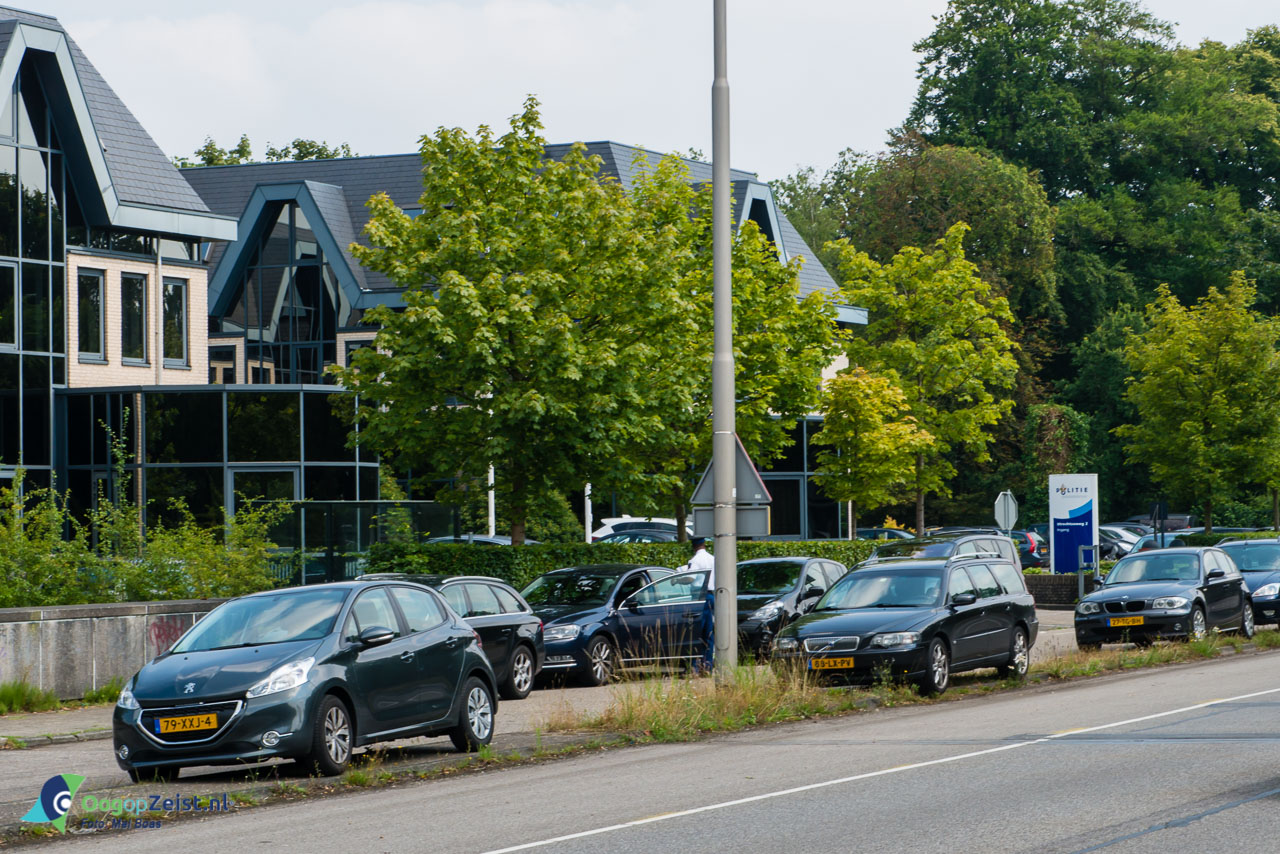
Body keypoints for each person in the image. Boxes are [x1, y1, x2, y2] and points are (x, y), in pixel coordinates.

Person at [686, 537, 715, 672]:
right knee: (709, 633)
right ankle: (708, 665)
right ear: (704, 544)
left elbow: (690, 578)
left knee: (696, 631)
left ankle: (695, 666)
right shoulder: (713, 558)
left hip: (699, 597)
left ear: (693, 546)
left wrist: (676, 580)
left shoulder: (695, 561)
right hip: (712, 595)